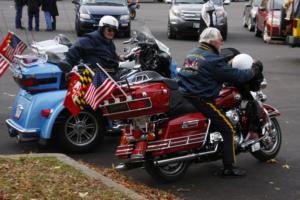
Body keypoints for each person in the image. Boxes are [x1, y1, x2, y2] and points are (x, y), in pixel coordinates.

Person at [177, 27, 262, 178]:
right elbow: (236, 76)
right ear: (212, 42)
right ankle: (229, 167)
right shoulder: (213, 59)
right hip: (201, 99)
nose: (222, 42)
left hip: (185, 95)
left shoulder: (192, 53)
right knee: (228, 128)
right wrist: (254, 70)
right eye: (220, 39)